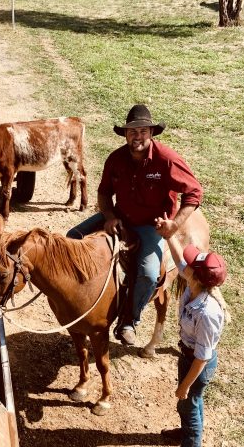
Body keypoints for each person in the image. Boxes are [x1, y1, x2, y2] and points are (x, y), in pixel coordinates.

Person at [67, 104, 203, 347]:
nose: (137, 137)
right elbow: (104, 193)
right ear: (126, 134)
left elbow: (194, 192)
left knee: (149, 274)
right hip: (120, 215)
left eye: (142, 131)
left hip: (151, 225)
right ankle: (75, 300)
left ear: (151, 133)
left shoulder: (167, 159)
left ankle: (130, 319)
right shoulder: (116, 159)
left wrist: (174, 224)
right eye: (132, 132)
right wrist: (109, 216)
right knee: (71, 237)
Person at [157, 221, 228, 447]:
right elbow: (179, 259)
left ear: (197, 277)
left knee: (190, 402)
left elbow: (203, 357)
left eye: (192, 266)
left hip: (197, 364)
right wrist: (168, 235)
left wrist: (185, 386)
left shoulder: (207, 312)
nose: (186, 267)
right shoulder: (195, 282)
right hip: (187, 355)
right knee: (188, 404)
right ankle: (186, 429)